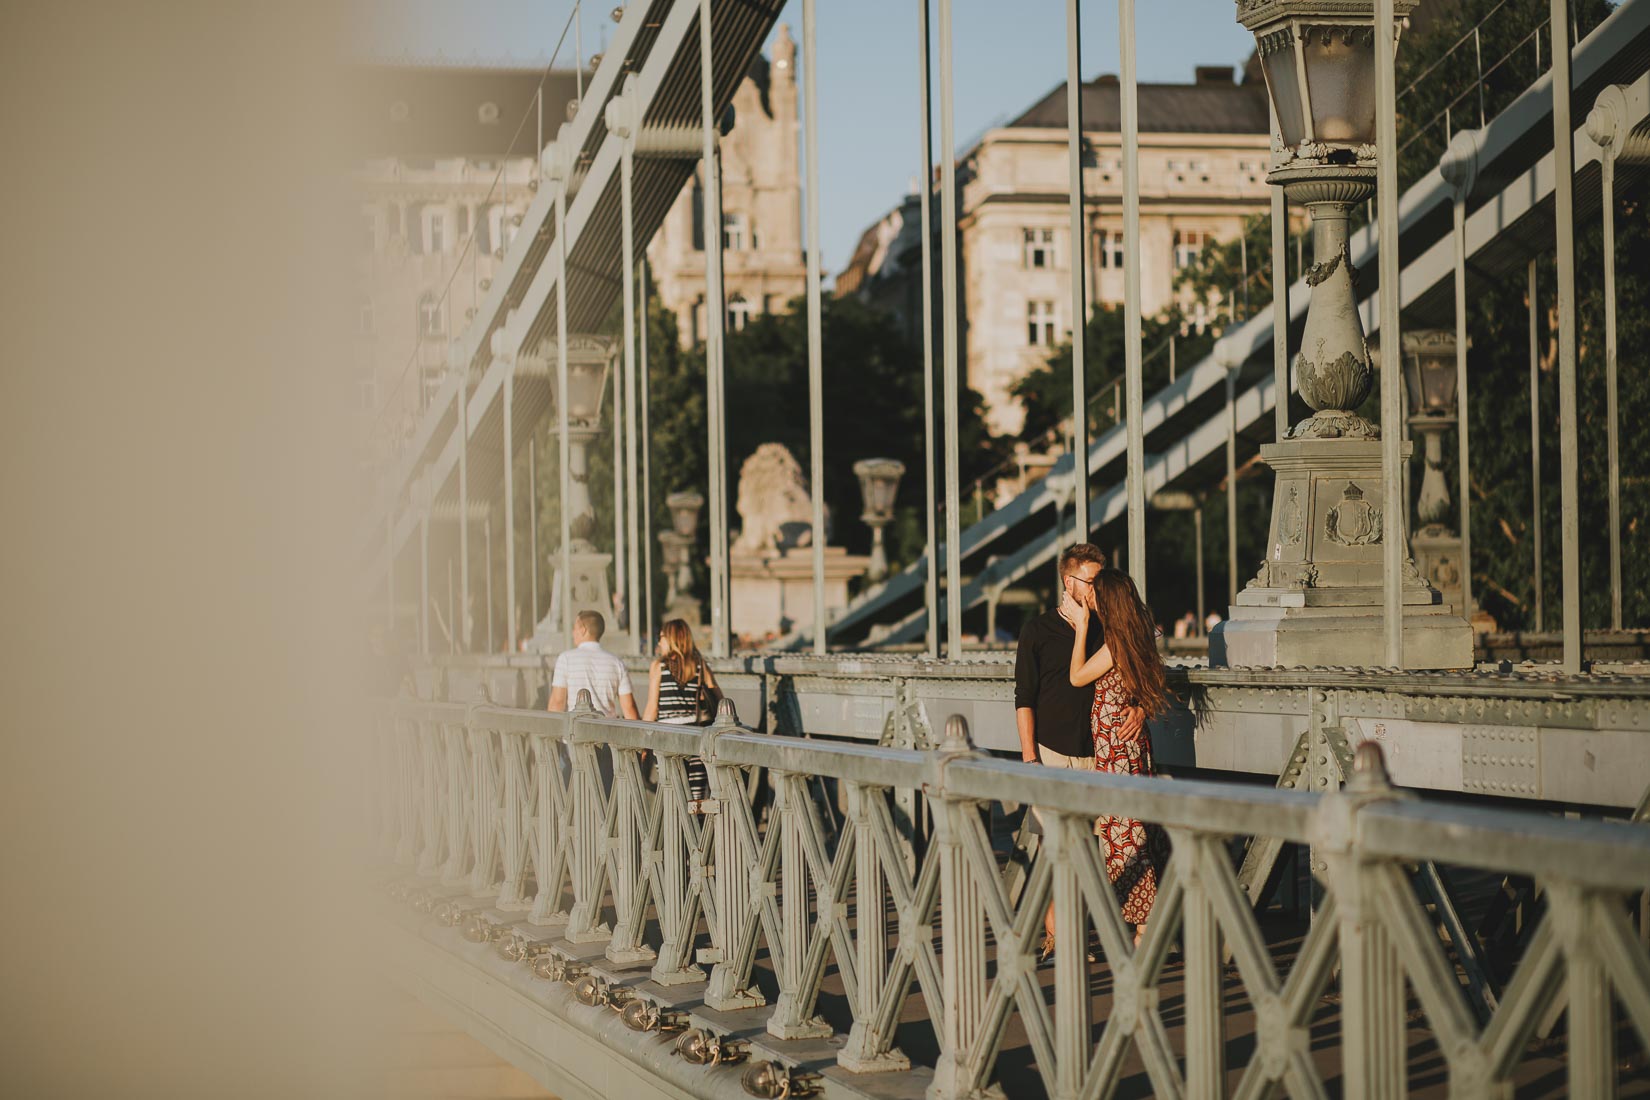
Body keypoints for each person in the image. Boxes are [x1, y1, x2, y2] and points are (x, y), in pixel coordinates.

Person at [1015, 543, 1141, 961]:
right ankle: (1060, 934)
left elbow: (1140, 673)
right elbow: (1024, 697)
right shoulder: (1038, 630)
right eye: (1091, 581)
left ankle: (1069, 927)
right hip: (1052, 751)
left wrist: (1141, 709)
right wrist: (1029, 759)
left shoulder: (1111, 625)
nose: (1097, 588)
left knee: (1093, 849)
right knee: (1058, 846)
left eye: (1101, 580)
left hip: (1099, 753)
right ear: (1068, 582)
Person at [1063, 568, 1171, 947]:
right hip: (1131, 749)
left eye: (1095, 593)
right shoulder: (1136, 635)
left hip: (1117, 751)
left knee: (1126, 833)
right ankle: (1150, 922)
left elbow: (1077, 677)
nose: (1089, 597)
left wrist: (1081, 627)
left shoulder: (1114, 643)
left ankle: (1146, 925)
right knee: (1137, 826)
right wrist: (1141, 707)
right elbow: (1152, 681)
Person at [643, 618, 719, 798]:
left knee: (671, 794)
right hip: (696, 737)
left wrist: (642, 743)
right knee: (696, 796)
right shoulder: (700, 665)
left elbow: (652, 708)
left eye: (661, 637)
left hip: (666, 738)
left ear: (672, 639)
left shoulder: (659, 666)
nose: (659, 642)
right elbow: (718, 698)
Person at [547, 610, 639, 719]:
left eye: (574, 628)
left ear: (583, 630)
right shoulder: (616, 663)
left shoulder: (566, 659)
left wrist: (550, 728)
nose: (573, 632)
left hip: (576, 727)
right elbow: (629, 707)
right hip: (606, 727)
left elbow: (558, 702)